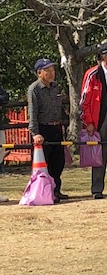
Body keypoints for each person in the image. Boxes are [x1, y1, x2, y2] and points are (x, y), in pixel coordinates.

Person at [80, 43, 107, 199]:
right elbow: (85, 100)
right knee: (100, 153)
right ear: (105, 57)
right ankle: (97, 188)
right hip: (101, 115)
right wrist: (89, 121)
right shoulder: (93, 74)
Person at [27, 58, 66, 203]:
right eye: (48, 71)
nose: (51, 73)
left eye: (52, 70)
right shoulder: (34, 89)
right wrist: (35, 132)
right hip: (43, 128)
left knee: (58, 161)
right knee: (45, 162)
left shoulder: (55, 87)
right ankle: (46, 191)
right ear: (39, 73)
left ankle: (56, 189)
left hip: (57, 127)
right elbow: (33, 112)